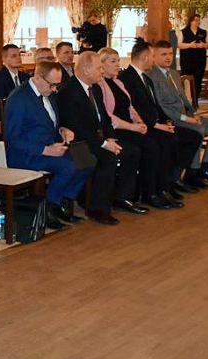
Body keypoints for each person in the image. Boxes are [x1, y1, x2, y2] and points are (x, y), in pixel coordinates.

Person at [56, 51, 139, 225]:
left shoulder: (95, 88)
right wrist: (103, 144)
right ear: (86, 69)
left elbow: (105, 118)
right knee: (107, 158)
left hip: (97, 139)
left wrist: (111, 138)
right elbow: (76, 127)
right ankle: (98, 208)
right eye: (99, 67)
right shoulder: (68, 91)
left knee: (132, 151)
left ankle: (120, 197)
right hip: (77, 142)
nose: (102, 71)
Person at [4, 61, 86, 228]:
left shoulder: (47, 93)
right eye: (52, 85)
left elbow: (50, 123)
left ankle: (61, 202)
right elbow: (13, 138)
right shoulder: (19, 99)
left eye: (57, 85)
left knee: (86, 159)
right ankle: (47, 209)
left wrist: (62, 130)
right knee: (68, 166)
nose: (55, 89)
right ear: (38, 78)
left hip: (50, 145)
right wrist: (46, 150)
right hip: (27, 154)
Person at [119, 41, 197, 203]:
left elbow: (155, 105)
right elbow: (135, 108)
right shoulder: (127, 78)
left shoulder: (145, 78)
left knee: (192, 136)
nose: (154, 60)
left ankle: (170, 181)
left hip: (154, 123)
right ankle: (153, 191)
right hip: (141, 125)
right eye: (153, 56)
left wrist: (166, 121)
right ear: (145, 58)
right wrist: (156, 125)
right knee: (164, 141)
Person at [149, 40, 208, 186]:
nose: (168, 57)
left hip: (187, 116)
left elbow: (183, 99)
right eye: (163, 54)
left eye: (170, 53)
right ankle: (192, 173)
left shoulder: (174, 73)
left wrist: (193, 113)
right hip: (172, 119)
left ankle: (207, 167)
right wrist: (186, 119)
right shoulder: (151, 76)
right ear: (153, 56)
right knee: (197, 130)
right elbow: (162, 107)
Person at [96, 48, 160, 212]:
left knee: (156, 142)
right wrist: (133, 127)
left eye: (118, 60)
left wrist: (139, 121)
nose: (117, 64)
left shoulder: (118, 82)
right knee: (139, 149)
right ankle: (128, 195)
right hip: (115, 130)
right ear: (101, 64)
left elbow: (130, 107)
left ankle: (149, 190)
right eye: (112, 61)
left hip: (128, 127)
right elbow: (107, 116)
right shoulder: (100, 85)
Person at [177, 14, 208, 108]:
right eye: (196, 20)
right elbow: (179, 45)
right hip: (186, 60)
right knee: (186, 80)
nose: (198, 22)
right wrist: (189, 45)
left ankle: (195, 101)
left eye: (199, 20)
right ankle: (187, 101)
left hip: (200, 61)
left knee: (198, 80)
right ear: (191, 21)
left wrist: (203, 45)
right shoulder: (183, 32)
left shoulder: (204, 32)